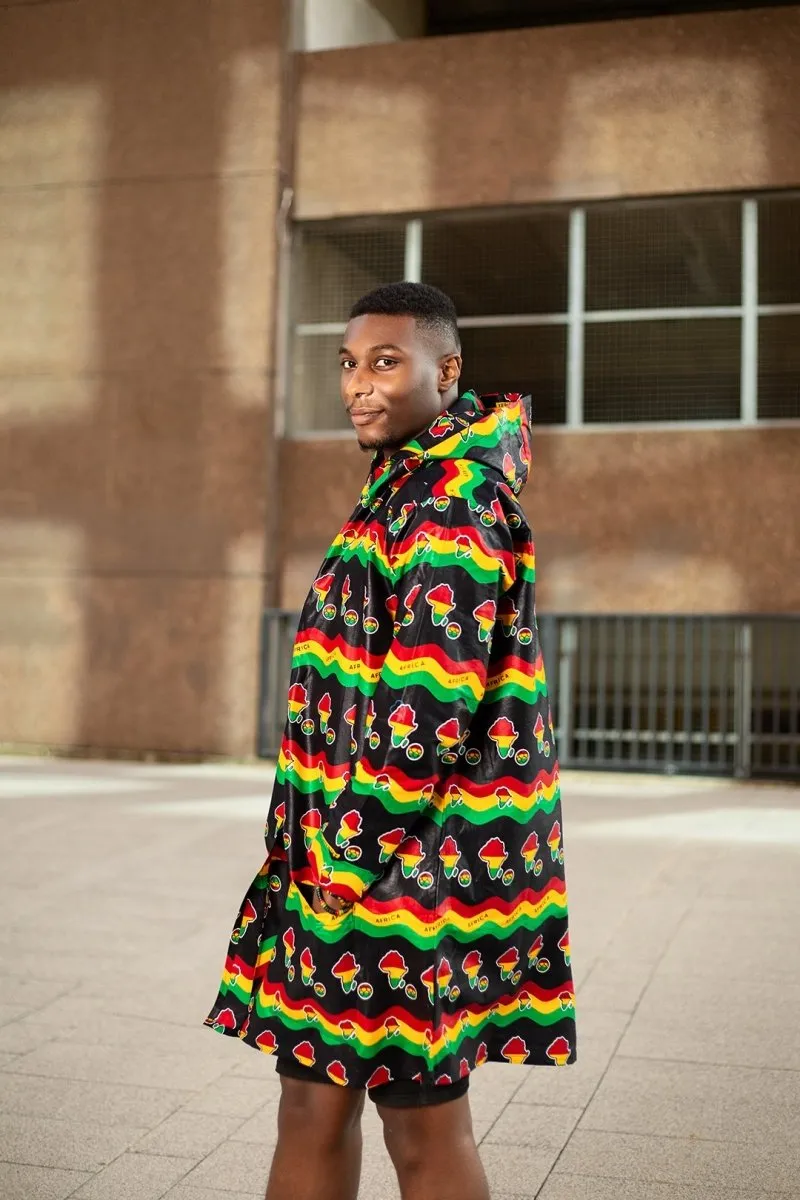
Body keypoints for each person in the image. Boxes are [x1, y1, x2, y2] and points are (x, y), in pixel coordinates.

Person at [204, 282, 576, 1200]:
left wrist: (344, 851)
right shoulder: (403, 486)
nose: (358, 385)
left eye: (385, 361)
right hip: (363, 861)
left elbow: (429, 706)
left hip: (400, 868)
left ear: (446, 372)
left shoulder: (449, 500)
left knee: (417, 1117)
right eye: (347, 363)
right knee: (319, 1101)